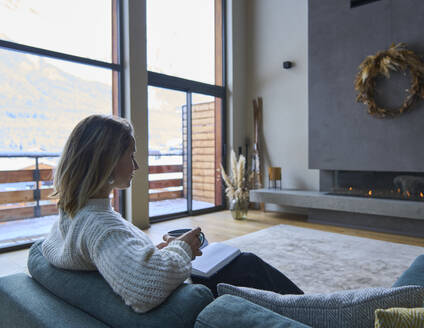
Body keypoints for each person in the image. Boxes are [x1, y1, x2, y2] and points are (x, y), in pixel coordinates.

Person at [41, 114, 302, 314]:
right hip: (181, 294)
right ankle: (309, 308)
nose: (137, 166)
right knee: (247, 265)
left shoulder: (74, 214)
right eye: (130, 156)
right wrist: (182, 249)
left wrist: (158, 250)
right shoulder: (101, 226)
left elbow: (114, 254)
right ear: (105, 161)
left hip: (166, 276)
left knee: (240, 261)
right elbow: (144, 289)